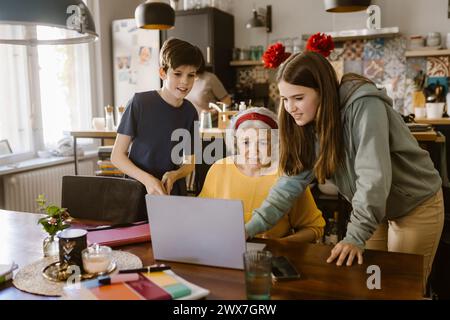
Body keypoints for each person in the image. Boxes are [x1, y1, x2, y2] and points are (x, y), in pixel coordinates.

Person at [245, 50, 444, 290]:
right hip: (374, 209)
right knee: (371, 285)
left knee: (400, 288)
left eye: (298, 98)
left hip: (415, 205)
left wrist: (354, 237)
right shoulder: (307, 124)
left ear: (323, 91)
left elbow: (373, 177)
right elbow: (287, 187)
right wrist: (248, 228)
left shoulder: (364, 105)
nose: (290, 108)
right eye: (285, 99)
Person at [199, 107, 325, 242]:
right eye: (246, 142)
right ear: (236, 143)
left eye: (263, 142)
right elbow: (201, 216)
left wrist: (282, 244)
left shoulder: (290, 176)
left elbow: (314, 228)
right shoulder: (219, 168)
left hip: (273, 259)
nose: (254, 151)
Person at [111, 38, 203, 196]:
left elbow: (190, 162)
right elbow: (117, 156)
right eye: (177, 73)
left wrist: (176, 174)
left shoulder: (190, 112)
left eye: (191, 75)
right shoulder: (140, 103)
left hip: (172, 191)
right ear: (163, 73)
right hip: (137, 190)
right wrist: (148, 180)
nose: (185, 82)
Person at [185, 53, 231, 125]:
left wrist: (212, 112)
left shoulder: (210, 78)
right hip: (190, 126)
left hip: (210, 126)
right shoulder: (184, 80)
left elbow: (227, 101)